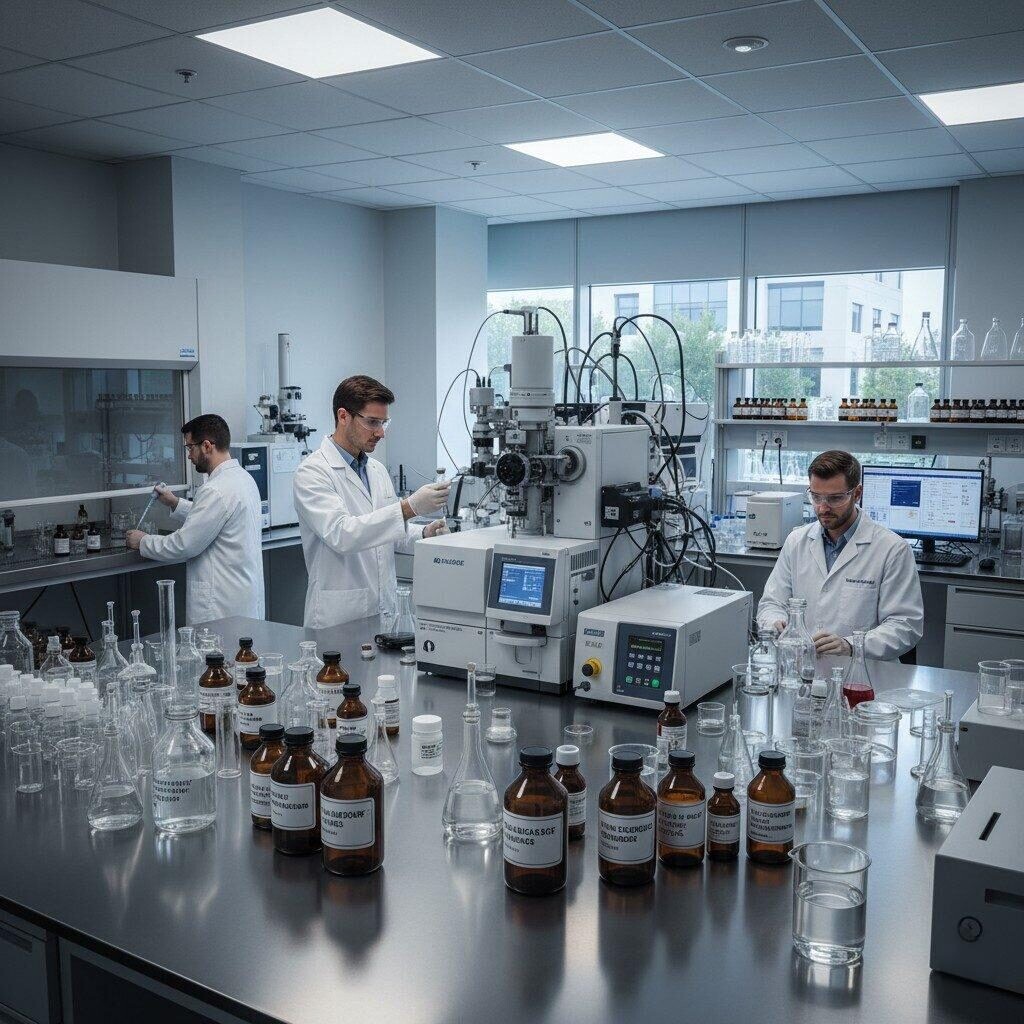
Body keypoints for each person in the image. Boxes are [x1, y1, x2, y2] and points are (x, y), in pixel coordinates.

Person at [293, 375, 449, 629]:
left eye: (384, 423)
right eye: (372, 422)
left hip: (384, 611)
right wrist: (409, 507)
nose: (380, 433)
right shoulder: (313, 472)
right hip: (339, 618)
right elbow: (342, 534)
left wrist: (424, 533)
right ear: (343, 416)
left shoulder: (376, 470)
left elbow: (387, 533)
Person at [757, 450, 923, 661]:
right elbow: (772, 603)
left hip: (864, 670)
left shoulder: (892, 549)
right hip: (804, 666)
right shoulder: (796, 541)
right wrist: (776, 623)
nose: (823, 507)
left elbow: (905, 625)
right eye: (816, 496)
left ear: (857, 493)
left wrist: (851, 645)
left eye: (835, 498)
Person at [126, 414, 264, 623]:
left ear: (207, 446)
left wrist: (143, 541)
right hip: (241, 598)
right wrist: (175, 503)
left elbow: (184, 545)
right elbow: (216, 517)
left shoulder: (215, 490)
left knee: (218, 645)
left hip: (220, 607)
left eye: (190, 448)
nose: (189, 456)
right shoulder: (243, 479)